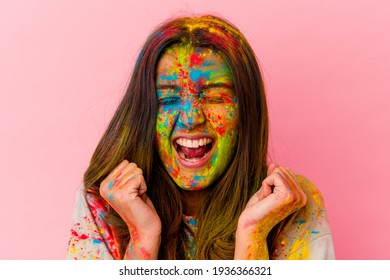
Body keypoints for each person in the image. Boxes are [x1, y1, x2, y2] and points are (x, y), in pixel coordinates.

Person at [67, 15, 335, 260]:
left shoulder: (290, 204)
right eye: (168, 97)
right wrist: (142, 238)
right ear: (144, 112)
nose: (191, 117)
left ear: (247, 113)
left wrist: (252, 234)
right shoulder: (105, 200)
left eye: (215, 96)